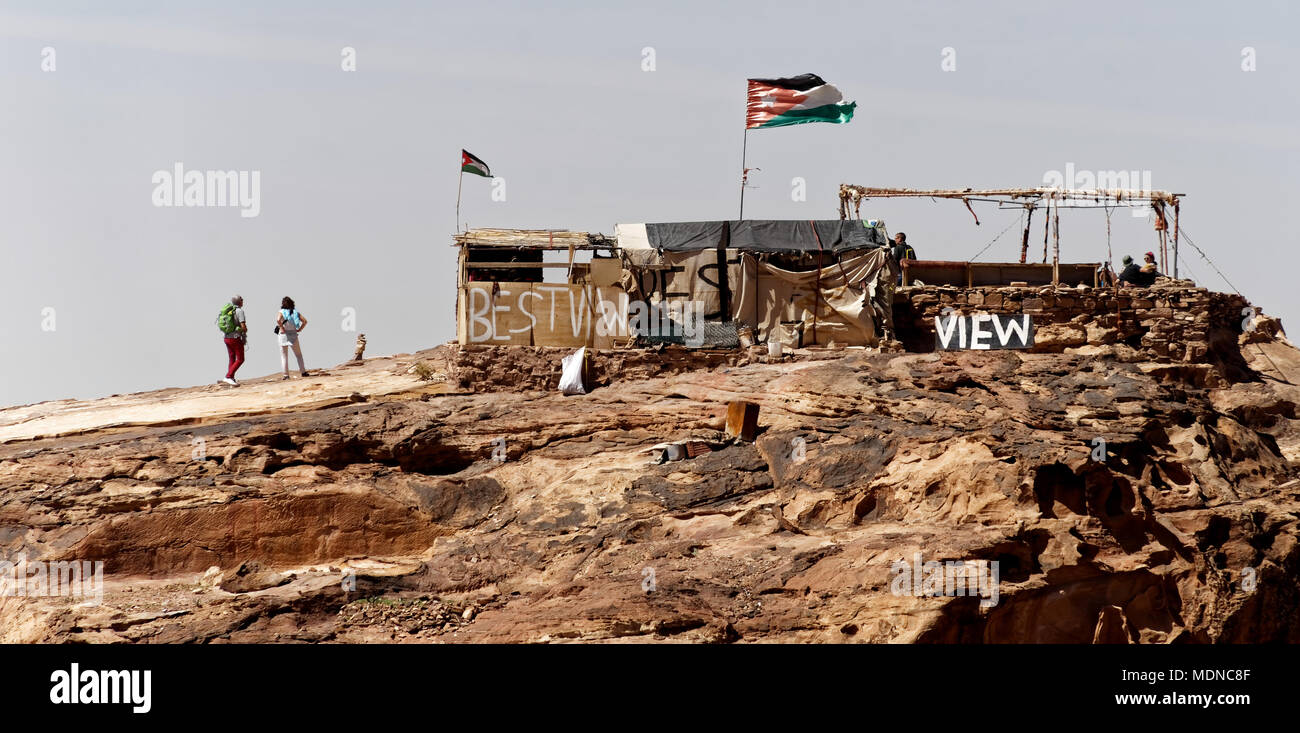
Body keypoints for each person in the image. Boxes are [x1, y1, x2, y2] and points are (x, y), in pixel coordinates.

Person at [276, 296, 310, 379]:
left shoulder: (281, 312)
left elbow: (278, 320)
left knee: (284, 356)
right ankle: (303, 372)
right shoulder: (295, 312)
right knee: (298, 355)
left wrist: (281, 327)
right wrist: (299, 329)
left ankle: (286, 375)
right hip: (293, 335)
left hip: (283, 335)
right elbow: (305, 321)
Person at [218, 295, 248, 386]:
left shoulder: (229, 311)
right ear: (239, 302)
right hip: (235, 338)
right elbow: (243, 326)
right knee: (240, 359)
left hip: (226, 338)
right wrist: (244, 330)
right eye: (242, 299)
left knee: (232, 358)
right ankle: (228, 376)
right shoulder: (239, 311)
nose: (243, 301)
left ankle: (231, 378)